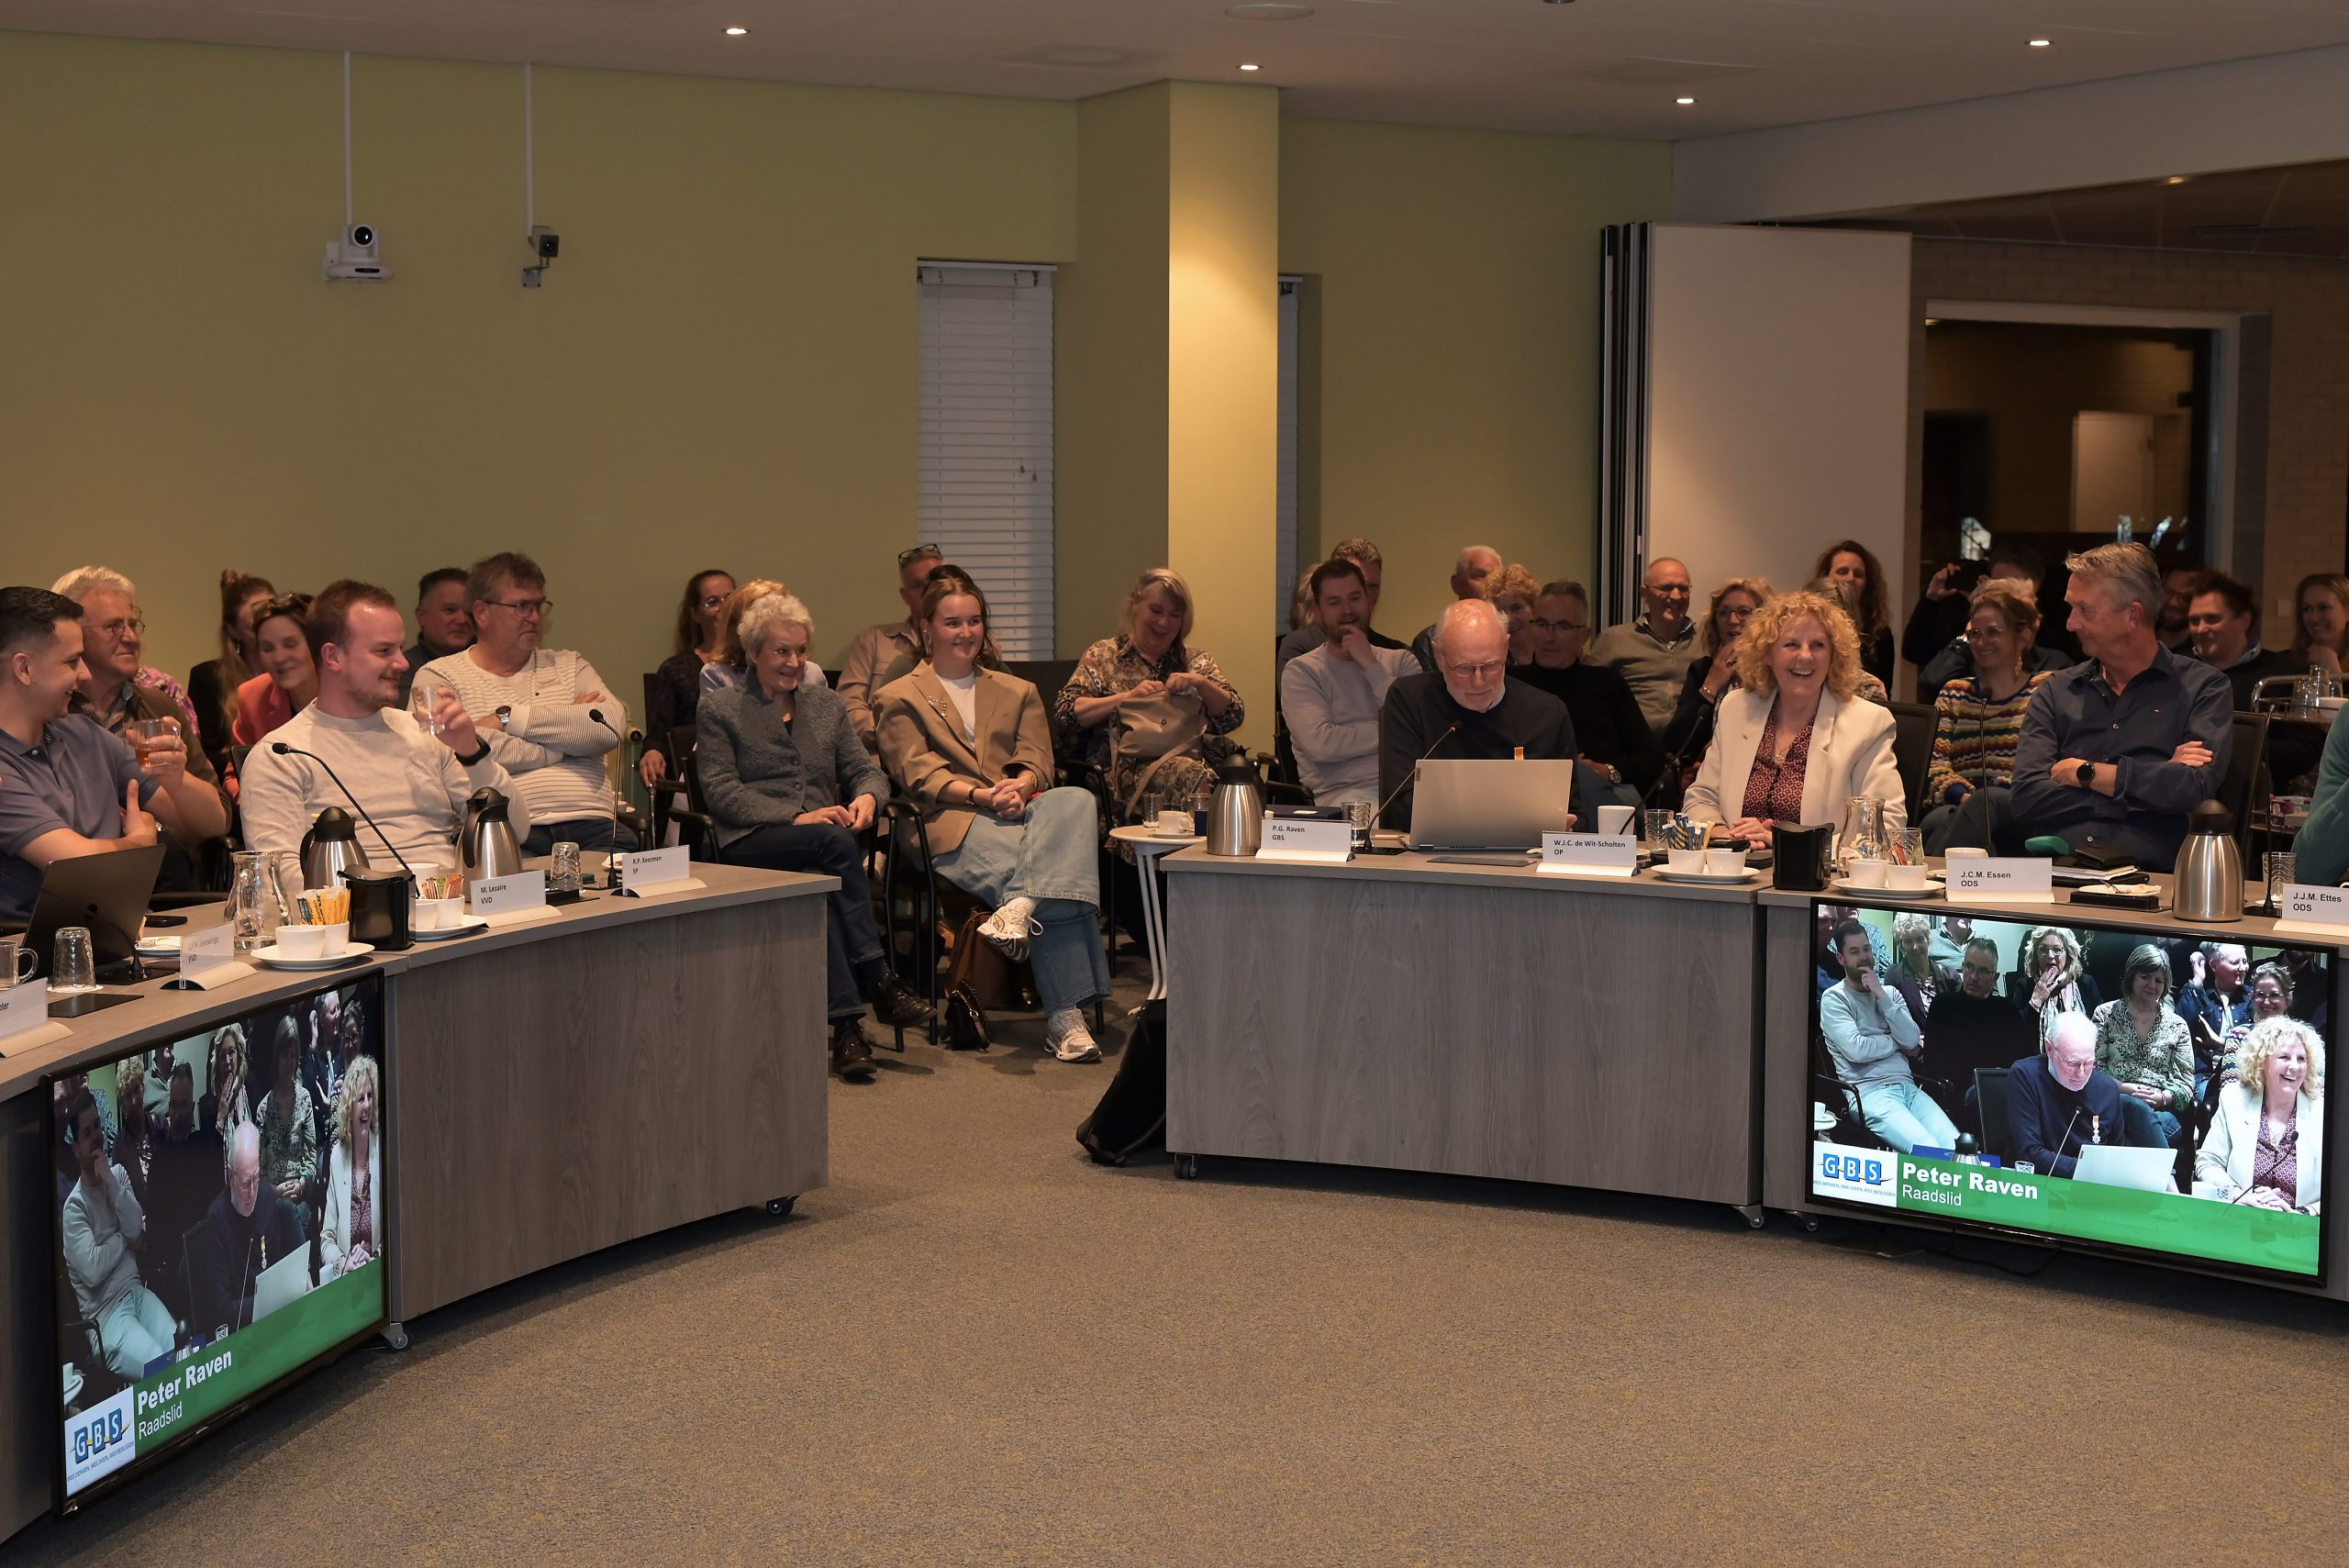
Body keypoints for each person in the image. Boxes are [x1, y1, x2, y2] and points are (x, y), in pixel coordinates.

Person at [879, 575, 1111, 1064]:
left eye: (974, 621)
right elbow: (918, 773)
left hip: (1021, 810)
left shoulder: (1017, 689)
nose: (966, 632)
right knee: (1059, 876)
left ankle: (1020, 905)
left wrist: (1023, 783)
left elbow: (1037, 756)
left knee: (1075, 799)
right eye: (952, 622)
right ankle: (1066, 1017)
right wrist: (985, 795)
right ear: (926, 629)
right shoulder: (899, 696)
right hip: (949, 818)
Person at [696, 591, 928, 1078]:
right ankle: (879, 977)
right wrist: (794, 817)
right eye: (781, 651)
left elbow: (864, 771)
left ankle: (847, 1031)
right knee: (833, 842)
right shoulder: (721, 708)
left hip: (822, 848)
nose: (794, 662)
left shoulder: (826, 704)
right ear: (754, 652)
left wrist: (868, 797)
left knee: (821, 886)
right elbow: (720, 793)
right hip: (753, 840)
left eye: (801, 651)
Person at [239, 580, 533, 867]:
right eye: (383, 651)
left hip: (453, 903)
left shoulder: (427, 733)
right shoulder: (281, 755)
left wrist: (472, 754)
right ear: (333, 657)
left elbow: (517, 832)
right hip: (355, 910)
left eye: (400, 647)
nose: (403, 663)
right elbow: (280, 874)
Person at [0, 586, 230, 927]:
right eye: (70, 661)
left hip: (122, 937)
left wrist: (177, 779)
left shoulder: (85, 734)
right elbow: (76, 866)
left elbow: (214, 823)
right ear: (24, 669)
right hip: (40, 959)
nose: (85, 674)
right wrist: (139, 842)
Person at [2009, 543, 2232, 871]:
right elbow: (2027, 797)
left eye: (2084, 610)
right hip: (2057, 876)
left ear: (2133, 615)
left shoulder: (2203, 687)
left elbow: (2191, 788)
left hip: (2152, 881)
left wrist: (2085, 773)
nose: (2071, 624)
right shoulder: (2057, 690)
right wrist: (2137, 794)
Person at [417, 552, 631, 856]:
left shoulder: (569, 664)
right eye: (521, 606)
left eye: (538, 605)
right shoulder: (438, 675)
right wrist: (564, 741)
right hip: (506, 831)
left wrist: (507, 718)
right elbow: (453, 754)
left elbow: (609, 727)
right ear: (481, 612)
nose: (534, 616)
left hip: (594, 824)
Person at [1683, 587, 1904, 844]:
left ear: (1833, 656)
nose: (1805, 656)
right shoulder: (1736, 708)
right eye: (1791, 644)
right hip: (1735, 873)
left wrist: (1777, 840)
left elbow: (1885, 827)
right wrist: (1725, 834)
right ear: (1766, 653)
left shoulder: (1868, 723)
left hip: (1817, 878)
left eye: (1818, 645)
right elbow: (1701, 798)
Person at [1057, 567, 1244, 823]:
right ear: (1135, 605)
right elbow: (1066, 712)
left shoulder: (1195, 661)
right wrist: (1125, 698)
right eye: (1156, 611)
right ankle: (1195, 858)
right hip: (1119, 781)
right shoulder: (1104, 656)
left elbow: (1232, 717)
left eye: (1174, 615)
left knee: (1202, 775)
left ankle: (1197, 857)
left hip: (1189, 766)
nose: (1164, 623)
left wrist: (1200, 683)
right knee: (1190, 775)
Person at [1376, 599, 1582, 830]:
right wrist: (1515, 819)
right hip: (1430, 855)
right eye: (1464, 668)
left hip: (1526, 858)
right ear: (1440, 657)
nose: (1478, 681)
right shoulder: (1410, 700)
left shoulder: (1547, 713)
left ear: (1506, 648)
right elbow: (1403, 808)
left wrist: (1565, 826)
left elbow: (1574, 812)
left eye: (1491, 666)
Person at [1919, 579, 2054, 854]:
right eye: (1975, 633)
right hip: (1959, 803)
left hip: (2021, 806)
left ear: (2022, 638)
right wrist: (1967, 796)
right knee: (1945, 821)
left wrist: (1985, 797)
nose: (1982, 642)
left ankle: (1927, 884)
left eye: (1993, 632)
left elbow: (2048, 765)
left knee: (1983, 807)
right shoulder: (1956, 692)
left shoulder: (2045, 689)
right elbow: (1935, 765)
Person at [1509, 580, 1664, 810]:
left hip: (1603, 796)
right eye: (1542, 624)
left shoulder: (1606, 683)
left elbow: (1651, 759)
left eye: (1562, 626)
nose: (1549, 637)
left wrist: (1608, 771)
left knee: (1584, 778)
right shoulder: (1511, 683)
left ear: (1584, 636)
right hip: (1529, 794)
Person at [1281, 558, 1422, 808]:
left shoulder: (1402, 662)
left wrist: (1370, 665)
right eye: (1335, 603)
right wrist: (1389, 731)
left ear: (1369, 600)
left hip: (1409, 789)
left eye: (1355, 598)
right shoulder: (1302, 671)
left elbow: (1419, 729)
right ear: (1317, 612)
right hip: (1344, 798)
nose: (1347, 610)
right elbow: (1322, 745)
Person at [61, 1090, 178, 1378]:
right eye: (87, 1133)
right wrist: (124, 1238)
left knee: (175, 1344)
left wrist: (111, 1182)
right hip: (106, 1319)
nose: (96, 1136)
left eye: (97, 1126)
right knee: (159, 1363)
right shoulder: (74, 1208)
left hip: (136, 1291)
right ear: (76, 1148)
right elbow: (93, 1269)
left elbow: (136, 1225)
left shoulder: (119, 1176)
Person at [1819, 918, 1959, 1154]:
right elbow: (1857, 1050)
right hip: (1871, 1095)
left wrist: (1881, 995)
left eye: (1866, 949)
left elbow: (1911, 1040)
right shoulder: (1835, 999)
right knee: (1930, 1150)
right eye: (1854, 952)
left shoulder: (1889, 993)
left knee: (1956, 1148)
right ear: (1841, 959)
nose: (1863, 957)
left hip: (1908, 1086)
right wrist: (1895, 1043)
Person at [1904, 545, 2068, 700]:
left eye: (2009, 585)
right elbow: (1928, 676)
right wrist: (1970, 631)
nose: (1999, 594)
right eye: (1995, 582)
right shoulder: (1971, 643)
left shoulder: (2053, 663)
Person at [2194, 1016, 2324, 1212]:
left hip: (2299, 1230)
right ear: (2262, 1062)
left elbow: (2341, 1185)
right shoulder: (2234, 1099)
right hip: (2240, 1219)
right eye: (2284, 1057)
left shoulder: (2323, 1112)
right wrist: (2240, 1196)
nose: (2295, 1067)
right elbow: (2208, 1162)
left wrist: (2305, 1212)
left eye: (2301, 1059)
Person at [189, 1123, 307, 1334]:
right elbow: (222, 1311)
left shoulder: (266, 1197)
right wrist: (271, 1299)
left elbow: (277, 1266)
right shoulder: (216, 1222)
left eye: (256, 1177)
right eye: (245, 1183)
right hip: (242, 1333)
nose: (252, 1191)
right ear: (230, 1175)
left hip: (275, 1320)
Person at [50, 567, 199, 733]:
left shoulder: (160, 704)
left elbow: (196, 760)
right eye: (114, 627)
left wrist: (179, 759)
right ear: (74, 632)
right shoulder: (48, 707)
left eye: (133, 625)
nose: (132, 638)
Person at [1660, 576, 1771, 789]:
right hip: (1707, 775)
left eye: (1744, 611)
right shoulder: (1703, 669)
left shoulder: (1776, 671)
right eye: (1724, 612)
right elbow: (1675, 742)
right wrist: (1710, 685)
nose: (1733, 620)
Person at [1920, 936, 2034, 1132]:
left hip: (2000, 1095)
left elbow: (2021, 1061)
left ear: (1995, 977)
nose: (1973, 977)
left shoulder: (2006, 1011)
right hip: (1954, 1094)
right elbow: (1932, 1063)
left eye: (1982, 971)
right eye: (1970, 967)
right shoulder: (1943, 1006)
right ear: (1962, 967)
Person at [840, 546, 944, 753]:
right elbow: (847, 711)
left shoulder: (973, 643)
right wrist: (900, 729)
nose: (927, 592)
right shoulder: (873, 641)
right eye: (917, 586)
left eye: (934, 583)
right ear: (905, 595)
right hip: (886, 759)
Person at [2089, 943, 2196, 1146]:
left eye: (2159, 980)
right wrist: (2122, 1088)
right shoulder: (2105, 1014)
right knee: (2130, 1107)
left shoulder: (2178, 1026)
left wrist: (2162, 1097)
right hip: (2113, 1104)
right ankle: (2167, 1177)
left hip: (2162, 1113)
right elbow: (2092, 1068)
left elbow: (2185, 1084)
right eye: (2145, 977)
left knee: (2130, 1135)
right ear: (2132, 975)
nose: (2152, 985)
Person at [640, 568, 735, 788]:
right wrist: (652, 752)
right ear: (695, 614)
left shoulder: (758, 664)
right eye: (713, 602)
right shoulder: (675, 669)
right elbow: (657, 735)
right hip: (700, 778)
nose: (724, 607)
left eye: (730, 598)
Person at [2007, 1013, 2128, 1177]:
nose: (2081, 1073)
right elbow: (2030, 1153)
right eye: (2073, 1063)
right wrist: (2090, 1170)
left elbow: (2116, 1153)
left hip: (2091, 1187)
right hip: (2038, 1183)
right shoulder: (2026, 1075)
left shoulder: (2107, 1089)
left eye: (2089, 1063)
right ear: (2050, 1049)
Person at [1592, 557, 1699, 736]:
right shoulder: (1614, 639)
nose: (1676, 596)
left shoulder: (1706, 640)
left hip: (1689, 752)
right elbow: (1590, 698)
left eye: (1683, 588)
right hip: (1632, 750)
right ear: (1644, 593)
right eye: (1666, 587)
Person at [186, 569, 274, 784]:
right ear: (234, 632)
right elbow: (211, 756)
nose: (268, 631)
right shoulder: (207, 678)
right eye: (256, 626)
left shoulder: (298, 673)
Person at [1275, 538, 1405, 681]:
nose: (1367, 594)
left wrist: (1370, 664)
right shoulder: (1301, 647)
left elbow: (1407, 703)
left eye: (1372, 587)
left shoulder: (1398, 655)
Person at [2187, 571, 2305, 708]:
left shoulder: (2283, 674)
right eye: (2194, 620)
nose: (2200, 629)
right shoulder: (2178, 671)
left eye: (2212, 619)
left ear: (2244, 621)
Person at [318, 1054, 381, 1277]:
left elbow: (398, 1230)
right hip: (347, 1277)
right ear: (348, 1108)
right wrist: (343, 1262)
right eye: (359, 1099)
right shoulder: (337, 1157)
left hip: (381, 1275)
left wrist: (375, 1259)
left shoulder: (384, 1150)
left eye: (369, 1097)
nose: (366, 1106)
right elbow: (326, 1239)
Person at [231, 592, 317, 749]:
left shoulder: (353, 692)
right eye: (267, 648)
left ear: (317, 644)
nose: (279, 658)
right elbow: (238, 771)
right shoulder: (252, 697)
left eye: (290, 644)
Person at [2175, 940, 2251, 1101]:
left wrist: (2222, 1043)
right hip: (2206, 1075)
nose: (2242, 968)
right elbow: (2180, 1026)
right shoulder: (2200, 994)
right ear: (2214, 965)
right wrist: (2197, 981)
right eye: (2235, 962)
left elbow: (2257, 1044)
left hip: (2245, 1073)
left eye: (2245, 961)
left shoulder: (2251, 997)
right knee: (2214, 1098)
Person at [254, 1017, 318, 1207]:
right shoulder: (263, 1109)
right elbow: (259, 1170)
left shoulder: (305, 1100)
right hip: (274, 1199)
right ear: (276, 1058)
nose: (289, 1062)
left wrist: (301, 1185)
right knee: (283, 1209)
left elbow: (311, 1160)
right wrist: (275, 1191)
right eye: (284, 1055)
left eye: (293, 1055)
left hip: (301, 1197)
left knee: (294, 1212)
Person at [1813, 539, 1895, 688]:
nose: (1850, 578)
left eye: (1858, 574)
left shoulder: (1880, 634)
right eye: (1842, 572)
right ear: (1826, 577)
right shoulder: (1807, 625)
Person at [1409, 545, 1502, 674]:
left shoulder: (1511, 632)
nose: (1490, 584)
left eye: (1496, 578)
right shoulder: (1429, 640)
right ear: (1456, 584)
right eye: (1479, 576)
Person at [2005, 925, 2101, 1041]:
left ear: (2068, 954)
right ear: (2036, 954)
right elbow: (2015, 1033)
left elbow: (2099, 1030)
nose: (2050, 956)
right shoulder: (2024, 986)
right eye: (2044, 949)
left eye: (2057, 949)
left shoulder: (2085, 983)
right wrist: (2036, 1001)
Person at [2218, 960, 2299, 1092]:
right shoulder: (2237, 1036)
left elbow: (2314, 1088)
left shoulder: (2302, 1039)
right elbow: (2229, 1088)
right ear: (2253, 997)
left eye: (2274, 995)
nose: (2266, 1002)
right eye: (2260, 994)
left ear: (2287, 999)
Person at [398, 567, 473, 703]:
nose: (462, 620)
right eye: (450, 610)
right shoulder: (403, 669)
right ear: (422, 616)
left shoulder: (494, 664)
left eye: (468, 611)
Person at [1882, 911, 1943, 1022]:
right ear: (1901, 946)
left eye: (1920, 939)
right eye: (1908, 941)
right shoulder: (1894, 975)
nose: (1915, 947)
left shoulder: (1949, 976)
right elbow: (1893, 1019)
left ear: (1928, 939)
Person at [1482, 563, 1540, 669]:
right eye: (1501, 612)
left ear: (1534, 607)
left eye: (1516, 608)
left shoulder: (1556, 655)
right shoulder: (1491, 664)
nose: (1509, 619)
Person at [200, 1024, 250, 1139]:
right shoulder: (207, 1105)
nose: (227, 1061)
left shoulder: (251, 1088)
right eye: (223, 1056)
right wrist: (221, 1119)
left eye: (232, 1053)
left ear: (239, 1055)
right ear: (216, 1063)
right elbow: (209, 1154)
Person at [2293, 572, 2349, 676]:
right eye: (2307, 609)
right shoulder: (2286, 663)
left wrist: (2333, 670)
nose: (2314, 618)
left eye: (2323, 607)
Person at [2157, 564, 2201, 655]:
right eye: (2169, 592)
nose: (2173, 603)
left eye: (2185, 597)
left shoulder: (2202, 653)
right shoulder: (2138, 639)